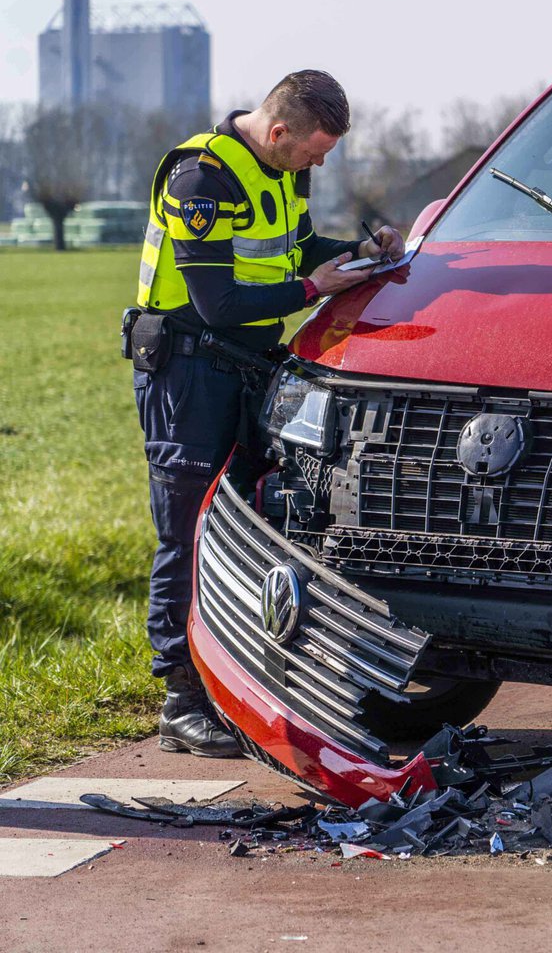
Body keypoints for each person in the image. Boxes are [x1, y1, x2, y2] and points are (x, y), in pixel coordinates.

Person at [129, 69, 404, 757]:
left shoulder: (277, 173)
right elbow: (219, 303)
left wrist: (357, 254)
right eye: (316, 149)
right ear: (280, 131)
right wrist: (315, 288)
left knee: (251, 522)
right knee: (187, 533)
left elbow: (293, 250)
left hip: (245, 370)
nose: (321, 161)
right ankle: (179, 701)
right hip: (188, 373)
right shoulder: (200, 180)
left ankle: (232, 684)